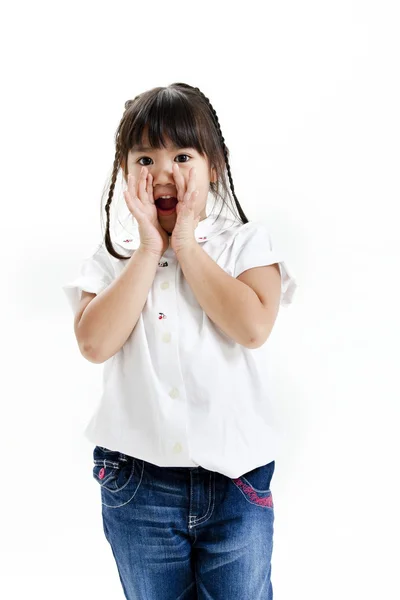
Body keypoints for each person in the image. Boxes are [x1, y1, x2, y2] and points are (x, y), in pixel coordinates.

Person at [62, 82, 298, 600]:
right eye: (145, 157)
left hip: (236, 481)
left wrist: (186, 244)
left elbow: (253, 327)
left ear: (214, 166)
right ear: (125, 173)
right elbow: (94, 343)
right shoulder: (113, 258)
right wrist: (150, 248)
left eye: (183, 155)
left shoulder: (245, 243)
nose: (164, 173)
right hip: (137, 485)